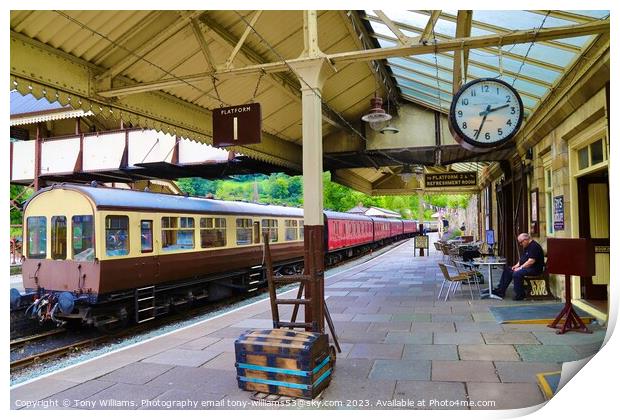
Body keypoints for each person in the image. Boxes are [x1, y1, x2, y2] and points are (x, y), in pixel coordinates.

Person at [492, 233, 545, 300]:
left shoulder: (534, 246)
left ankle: (520, 295)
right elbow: (522, 259)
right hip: (528, 268)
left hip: (535, 269)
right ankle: (500, 291)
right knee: (508, 270)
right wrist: (515, 266)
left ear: (525, 240)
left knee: (517, 273)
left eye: (521, 242)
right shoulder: (527, 246)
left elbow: (531, 261)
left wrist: (520, 268)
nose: (520, 244)